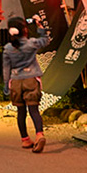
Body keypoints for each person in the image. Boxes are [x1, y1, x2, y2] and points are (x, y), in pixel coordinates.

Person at [3, 14, 51, 153]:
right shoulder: (31, 43)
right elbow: (45, 40)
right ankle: (39, 134)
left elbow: (6, 69)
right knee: (34, 110)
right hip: (31, 79)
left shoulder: (8, 48)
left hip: (16, 82)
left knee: (21, 112)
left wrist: (6, 86)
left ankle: (25, 140)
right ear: (25, 30)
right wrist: (39, 25)